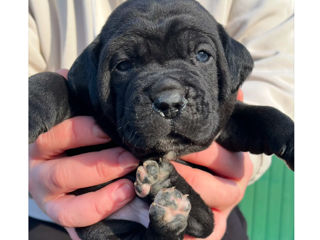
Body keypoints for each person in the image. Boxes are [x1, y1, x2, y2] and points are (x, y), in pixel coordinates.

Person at [28, 0, 294, 239]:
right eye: (124, 64)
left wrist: (271, 149)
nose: (169, 97)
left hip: (210, 201)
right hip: (60, 209)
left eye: (201, 54)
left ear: (228, 65)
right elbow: (61, 90)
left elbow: (278, 68)